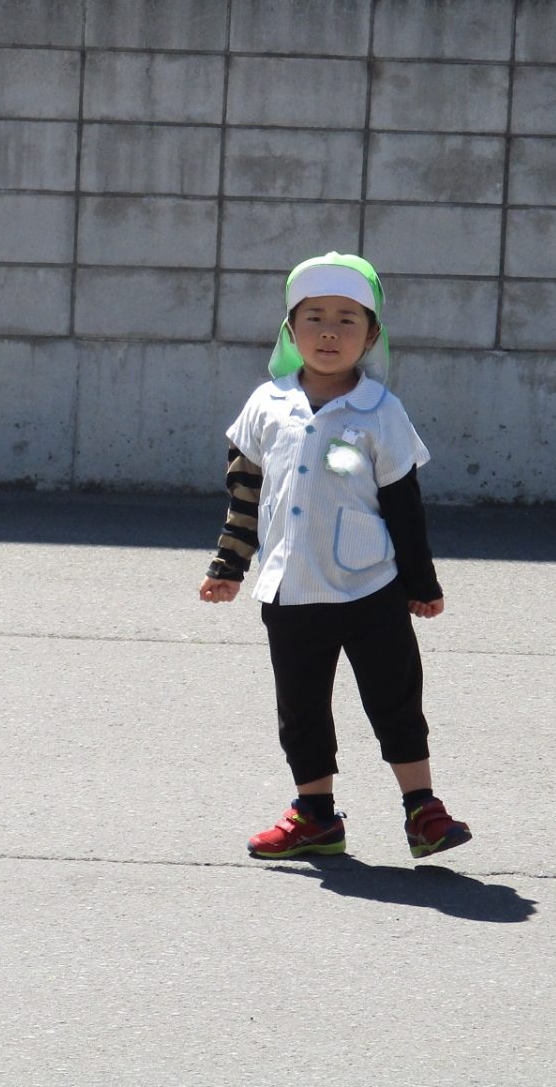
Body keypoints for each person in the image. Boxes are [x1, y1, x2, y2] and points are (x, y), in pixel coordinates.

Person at [199, 252, 469, 862]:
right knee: (301, 708)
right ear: (289, 330)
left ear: (371, 336)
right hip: (290, 587)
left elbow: (403, 502)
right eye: (314, 317)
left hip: (371, 588)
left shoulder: (380, 410)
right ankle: (315, 816)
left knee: (394, 699)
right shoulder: (267, 403)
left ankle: (423, 809)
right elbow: (246, 493)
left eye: (347, 320)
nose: (329, 332)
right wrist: (228, 565)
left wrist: (421, 583)